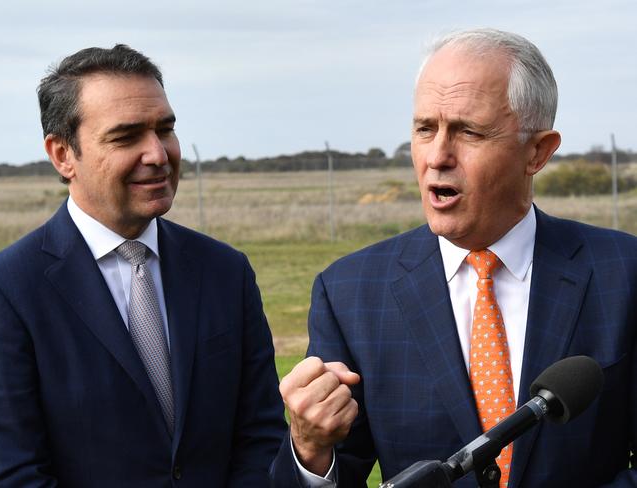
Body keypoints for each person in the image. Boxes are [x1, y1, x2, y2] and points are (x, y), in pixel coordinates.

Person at [271, 29, 636, 487]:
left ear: (537, 152)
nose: (437, 156)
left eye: (469, 131)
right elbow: (339, 471)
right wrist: (309, 448)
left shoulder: (624, 273)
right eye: (425, 129)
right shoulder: (349, 293)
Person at [0, 44, 286, 487]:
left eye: (164, 130)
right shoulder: (6, 290)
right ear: (63, 155)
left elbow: (261, 437)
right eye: (126, 137)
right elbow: (13, 474)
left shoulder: (226, 271)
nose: (158, 154)